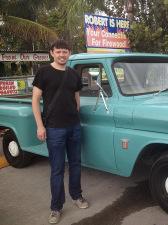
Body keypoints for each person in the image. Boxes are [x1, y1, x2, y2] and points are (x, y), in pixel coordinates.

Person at [32, 39, 88, 224]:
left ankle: (77, 196)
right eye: (59, 52)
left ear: (69, 53)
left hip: (73, 127)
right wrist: (40, 126)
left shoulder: (73, 74)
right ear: (52, 53)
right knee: (57, 169)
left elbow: (76, 98)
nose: (62, 55)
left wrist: (75, 115)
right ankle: (56, 207)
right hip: (54, 128)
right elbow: (35, 100)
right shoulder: (43, 72)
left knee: (76, 164)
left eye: (65, 52)